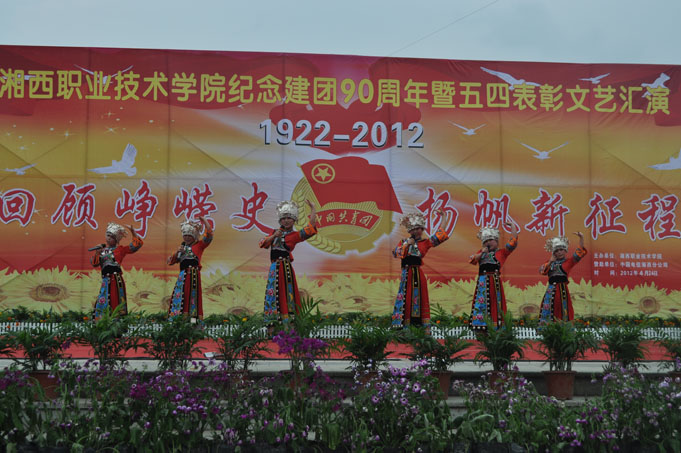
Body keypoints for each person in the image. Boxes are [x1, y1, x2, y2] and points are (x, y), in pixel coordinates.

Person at [391, 208, 450, 332]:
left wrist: (444, 217)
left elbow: (440, 234)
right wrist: (408, 244)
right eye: (414, 229)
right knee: (405, 298)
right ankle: (403, 329)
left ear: (422, 229)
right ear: (410, 230)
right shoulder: (403, 242)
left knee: (420, 298)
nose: (417, 231)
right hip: (406, 274)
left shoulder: (425, 242)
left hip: (417, 274)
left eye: (419, 228)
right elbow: (396, 253)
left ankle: (421, 329)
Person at [260, 200, 317, 324]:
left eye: (289, 218)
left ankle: (289, 325)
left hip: (285, 268)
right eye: (283, 218)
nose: (286, 221)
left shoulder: (295, 235)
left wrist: (313, 209)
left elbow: (310, 227)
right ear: (280, 220)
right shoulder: (274, 232)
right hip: (274, 268)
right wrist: (274, 236)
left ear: (294, 220)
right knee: (272, 292)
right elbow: (263, 244)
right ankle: (272, 323)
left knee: (287, 293)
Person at [469, 222, 519, 331]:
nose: (488, 243)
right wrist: (482, 253)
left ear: (496, 241)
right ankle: (481, 327)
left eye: (490, 240)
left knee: (496, 303)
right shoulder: (481, 252)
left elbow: (513, 242)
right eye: (485, 241)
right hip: (482, 283)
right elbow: (472, 260)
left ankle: (497, 327)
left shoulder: (502, 252)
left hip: (495, 282)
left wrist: (513, 227)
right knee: (482, 303)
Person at [92, 222, 143, 320]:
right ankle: (101, 321)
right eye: (108, 235)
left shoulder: (120, 249)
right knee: (103, 297)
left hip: (116, 279)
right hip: (105, 280)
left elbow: (135, 246)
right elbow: (95, 263)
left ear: (116, 239)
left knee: (116, 298)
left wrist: (133, 232)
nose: (109, 238)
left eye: (111, 237)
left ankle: (117, 322)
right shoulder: (102, 250)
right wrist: (97, 253)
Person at [167, 217, 213, 321]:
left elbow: (209, 235)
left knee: (192, 297)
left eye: (189, 236)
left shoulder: (199, 245)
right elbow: (171, 261)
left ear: (194, 236)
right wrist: (177, 253)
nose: (187, 238)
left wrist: (205, 221)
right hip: (182, 276)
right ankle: (177, 320)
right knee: (180, 296)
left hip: (193, 276)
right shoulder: (181, 247)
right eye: (185, 235)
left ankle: (193, 321)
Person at [538, 232, 587, 325]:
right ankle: (547, 329)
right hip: (550, 290)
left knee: (563, 310)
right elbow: (541, 271)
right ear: (553, 253)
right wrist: (550, 261)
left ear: (565, 251)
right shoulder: (549, 262)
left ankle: (564, 330)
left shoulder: (568, 262)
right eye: (556, 251)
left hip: (562, 291)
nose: (559, 252)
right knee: (548, 309)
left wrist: (581, 238)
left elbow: (578, 253)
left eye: (561, 249)